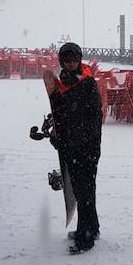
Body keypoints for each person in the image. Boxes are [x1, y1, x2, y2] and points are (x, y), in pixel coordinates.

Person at [43, 42, 103, 254]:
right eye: (66, 61)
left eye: (73, 60)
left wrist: (74, 140)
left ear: (79, 60)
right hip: (72, 145)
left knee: (83, 191)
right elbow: (63, 111)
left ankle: (84, 238)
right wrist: (53, 127)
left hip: (86, 147)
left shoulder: (87, 84)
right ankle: (92, 228)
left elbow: (92, 120)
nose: (70, 64)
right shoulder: (65, 82)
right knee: (85, 190)